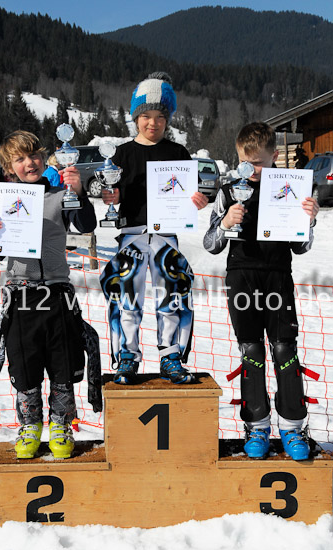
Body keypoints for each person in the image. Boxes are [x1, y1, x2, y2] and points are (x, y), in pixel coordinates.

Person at [0, 130, 100, 459]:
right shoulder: (5, 200)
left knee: (62, 365)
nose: (29, 162)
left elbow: (86, 224)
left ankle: (61, 424)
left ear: (43, 158)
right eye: (20, 159)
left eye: (33, 155)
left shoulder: (60, 194)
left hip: (57, 292)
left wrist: (78, 192)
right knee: (25, 365)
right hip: (21, 294)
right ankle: (30, 424)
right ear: (8, 166)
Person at [203, 122, 319, 461]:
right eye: (246, 162)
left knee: (285, 350)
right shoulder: (228, 190)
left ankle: (293, 428)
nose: (253, 170)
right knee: (251, 351)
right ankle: (256, 426)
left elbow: (300, 247)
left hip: (278, 276)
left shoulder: (290, 188)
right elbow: (210, 244)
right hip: (242, 276)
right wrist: (224, 223)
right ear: (237, 156)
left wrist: (308, 221)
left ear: (275, 156)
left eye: (260, 162)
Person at [100, 72, 208, 385]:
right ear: (136, 117)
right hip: (131, 235)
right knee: (128, 299)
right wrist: (111, 195)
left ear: (168, 119)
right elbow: (113, 194)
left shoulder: (178, 153)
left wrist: (196, 202)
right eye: (145, 116)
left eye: (160, 116)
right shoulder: (120, 154)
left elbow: (189, 197)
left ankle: (170, 355)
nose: (152, 123)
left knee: (171, 296)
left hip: (166, 236)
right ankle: (127, 356)